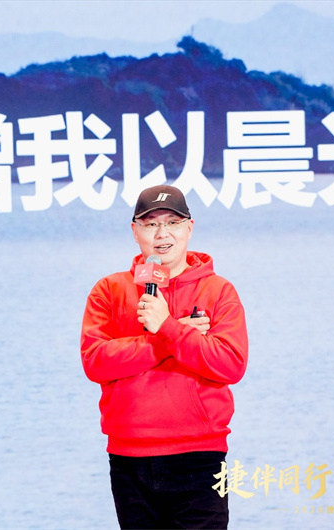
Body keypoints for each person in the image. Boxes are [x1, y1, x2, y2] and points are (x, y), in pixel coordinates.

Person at [80, 184, 248, 529]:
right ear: (135, 231)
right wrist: (166, 338)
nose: (162, 234)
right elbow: (95, 361)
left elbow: (230, 364)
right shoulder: (109, 290)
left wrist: (168, 327)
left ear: (189, 227)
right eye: (151, 224)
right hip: (129, 459)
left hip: (199, 458)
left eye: (172, 222)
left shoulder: (218, 291)